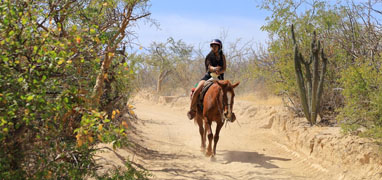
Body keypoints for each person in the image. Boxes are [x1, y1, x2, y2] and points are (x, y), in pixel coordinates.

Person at [187, 39, 226, 120]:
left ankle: (229, 112)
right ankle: (192, 110)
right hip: (208, 76)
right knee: (197, 90)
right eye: (212, 46)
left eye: (215, 46)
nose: (213, 48)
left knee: (229, 92)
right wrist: (215, 69)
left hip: (220, 78)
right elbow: (209, 67)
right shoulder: (209, 56)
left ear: (219, 47)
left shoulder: (223, 56)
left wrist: (220, 71)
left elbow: (224, 68)